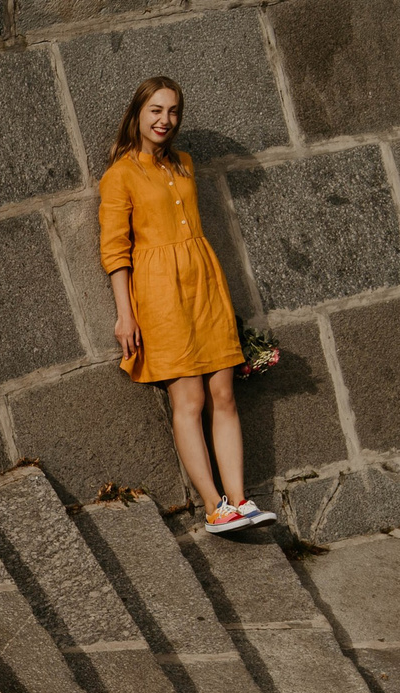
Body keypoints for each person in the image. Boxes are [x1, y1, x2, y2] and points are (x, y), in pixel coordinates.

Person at [100, 76, 276, 536]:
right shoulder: (119, 176)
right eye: (156, 110)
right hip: (160, 295)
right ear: (138, 113)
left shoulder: (185, 165)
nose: (165, 120)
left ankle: (240, 500)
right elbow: (115, 250)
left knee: (223, 395)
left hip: (205, 287)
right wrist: (125, 314)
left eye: (173, 111)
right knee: (190, 398)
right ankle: (214, 507)